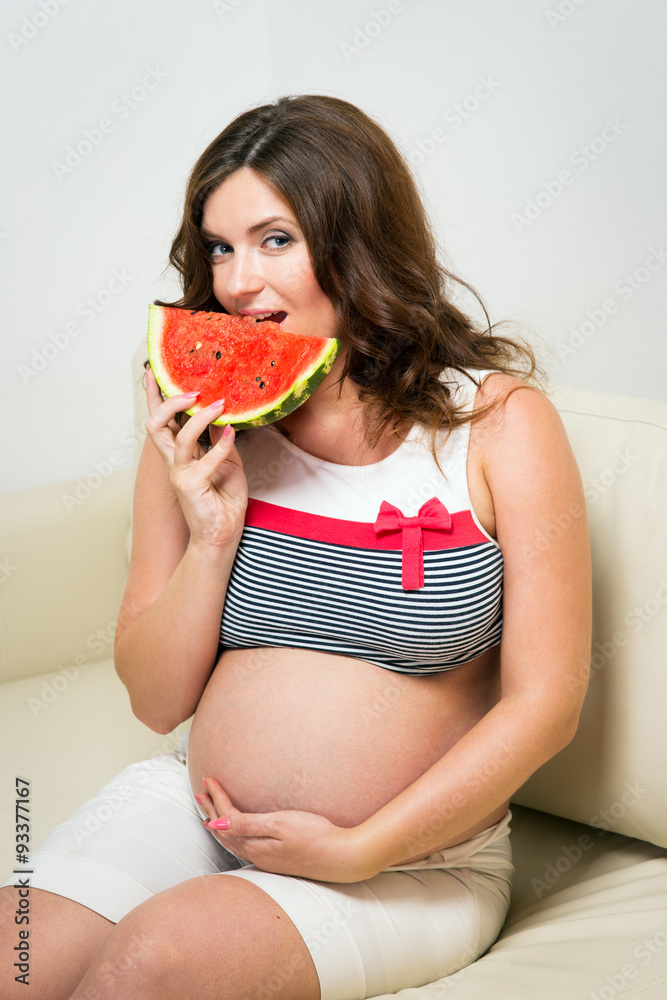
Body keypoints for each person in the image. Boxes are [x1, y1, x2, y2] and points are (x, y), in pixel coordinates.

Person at [0, 94, 591, 1000]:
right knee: (17, 960)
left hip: (412, 861)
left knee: (146, 968)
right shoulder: (193, 416)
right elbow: (157, 701)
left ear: (352, 240)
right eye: (219, 248)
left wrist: (364, 846)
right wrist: (210, 536)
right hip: (197, 809)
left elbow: (546, 705)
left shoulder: (499, 423)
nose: (239, 283)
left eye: (275, 240)